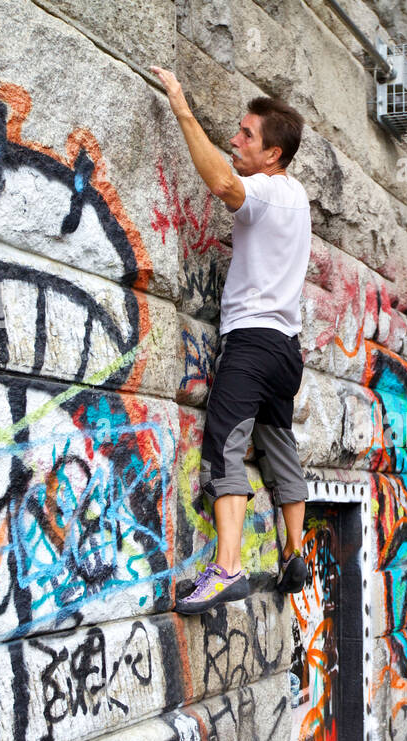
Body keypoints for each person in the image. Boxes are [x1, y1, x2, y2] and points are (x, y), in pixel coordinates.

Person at [149, 66, 311, 614]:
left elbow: (222, 183)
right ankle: (295, 553)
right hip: (288, 350)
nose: (235, 141)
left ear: (273, 155)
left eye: (246, 135)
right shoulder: (298, 197)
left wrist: (181, 106)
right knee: (279, 445)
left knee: (225, 443)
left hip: (254, 341)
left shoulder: (262, 190)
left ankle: (227, 569)